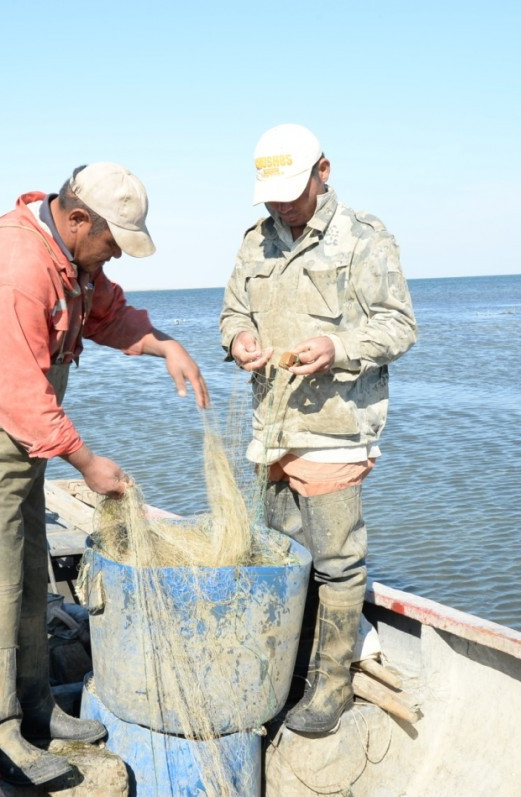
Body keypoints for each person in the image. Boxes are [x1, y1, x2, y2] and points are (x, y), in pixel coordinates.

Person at [0, 163, 209, 785]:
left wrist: (164, 343)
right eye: (111, 242)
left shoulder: (72, 261)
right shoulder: (13, 267)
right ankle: (4, 735)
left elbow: (104, 315)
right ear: (76, 219)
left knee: (26, 567)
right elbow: (18, 391)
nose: (115, 256)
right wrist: (88, 463)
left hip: (19, 432)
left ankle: (40, 708)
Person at [219, 124, 416, 734]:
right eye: (270, 194)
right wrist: (239, 340)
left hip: (335, 428)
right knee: (282, 551)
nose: (281, 204)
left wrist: (336, 346)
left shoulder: (364, 238)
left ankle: (331, 686)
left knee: (335, 560)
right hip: (271, 428)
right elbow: (232, 312)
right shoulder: (255, 242)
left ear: (323, 171)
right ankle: (293, 665)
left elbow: (398, 327)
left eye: (291, 190)